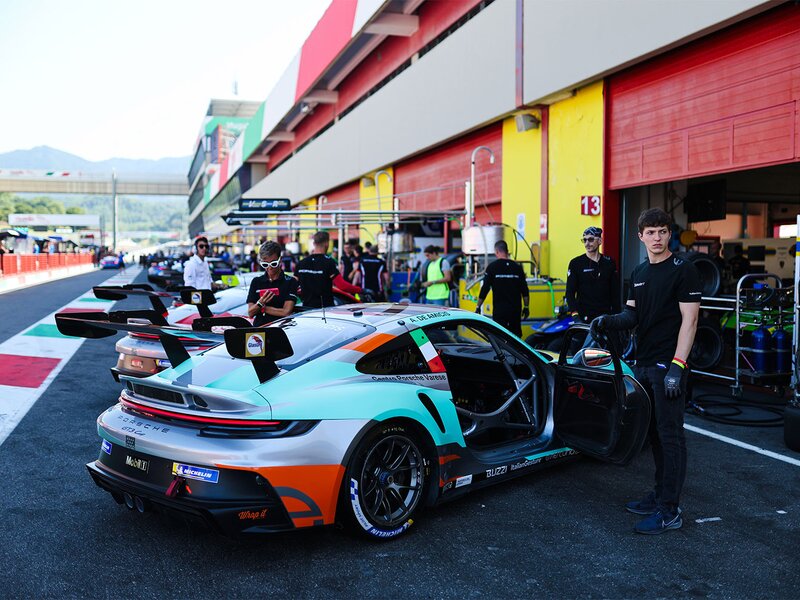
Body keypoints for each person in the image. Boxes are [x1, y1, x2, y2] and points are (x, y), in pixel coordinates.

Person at [591, 208, 700, 535]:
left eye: (662, 232)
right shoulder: (639, 272)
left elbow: (690, 321)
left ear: (670, 234)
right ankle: (659, 495)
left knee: (671, 436)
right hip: (644, 363)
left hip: (669, 365)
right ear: (640, 236)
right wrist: (606, 320)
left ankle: (670, 511)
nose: (656, 238)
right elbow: (631, 317)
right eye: (650, 233)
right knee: (652, 434)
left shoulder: (684, 270)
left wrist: (677, 368)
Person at [475, 240, 530, 337]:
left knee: (500, 336)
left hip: (500, 311)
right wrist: (526, 307)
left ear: (497, 251)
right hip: (515, 310)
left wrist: (478, 306)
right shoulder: (517, 268)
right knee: (516, 337)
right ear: (507, 251)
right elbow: (525, 290)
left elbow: (485, 289)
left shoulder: (492, 267)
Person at [565, 227, 620, 323]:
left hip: (605, 317)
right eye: (584, 240)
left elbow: (615, 292)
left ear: (599, 241)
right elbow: (569, 292)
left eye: (590, 239)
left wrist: (617, 316)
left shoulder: (609, 262)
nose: (587, 243)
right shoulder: (576, 263)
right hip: (584, 317)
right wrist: (575, 315)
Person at [246, 241, 299, 326]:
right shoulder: (256, 281)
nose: (270, 267)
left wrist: (262, 308)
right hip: (259, 331)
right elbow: (250, 313)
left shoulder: (290, 281)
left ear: (280, 260)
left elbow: (286, 312)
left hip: (282, 330)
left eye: (274, 263)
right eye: (265, 264)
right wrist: (260, 303)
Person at [296, 231, 340, 308]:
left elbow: (293, 285)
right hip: (325, 309)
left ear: (314, 243)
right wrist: (362, 290)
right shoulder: (329, 262)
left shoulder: (301, 263)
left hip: (306, 309)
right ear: (327, 243)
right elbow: (341, 285)